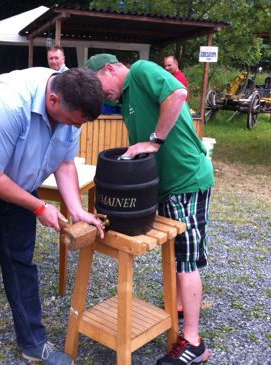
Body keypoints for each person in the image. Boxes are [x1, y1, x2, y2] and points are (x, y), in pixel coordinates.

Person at [0, 67, 105, 365]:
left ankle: (33, 343)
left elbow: (65, 163)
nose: (71, 127)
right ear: (52, 100)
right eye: (69, 120)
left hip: (16, 185)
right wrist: (39, 207)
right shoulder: (8, 103)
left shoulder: (72, 105)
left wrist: (77, 210)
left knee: (21, 264)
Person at [85, 54, 214, 365]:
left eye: (99, 87)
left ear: (110, 69)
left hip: (186, 178)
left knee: (185, 260)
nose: (102, 96)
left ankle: (194, 342)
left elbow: (177, 94)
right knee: (175, 253)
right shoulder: (126, 97)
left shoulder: (141, 71)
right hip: (164, 184)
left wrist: (155, 140)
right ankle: (181, 305)